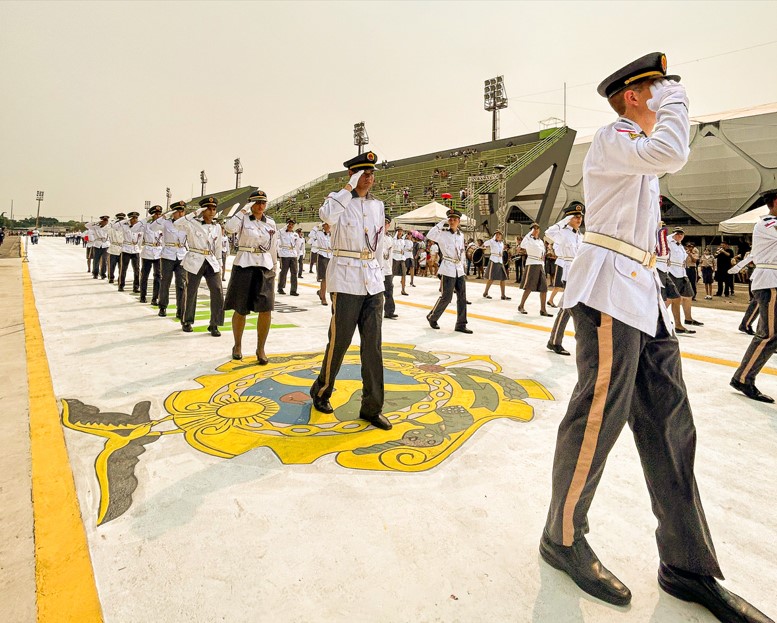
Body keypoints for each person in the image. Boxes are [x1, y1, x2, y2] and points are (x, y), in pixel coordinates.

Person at [541, 52, 771, 623]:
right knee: (598, 415)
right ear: (636, 95)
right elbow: (671, 150)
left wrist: (669, 101)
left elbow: (664, 160)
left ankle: (687, 566)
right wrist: (679, 98)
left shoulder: (636, 151)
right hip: (611, 291)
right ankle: (562, 535)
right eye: (658, 86)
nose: (669, 92)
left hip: (645, 294)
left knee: (672, 425)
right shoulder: (612, 136)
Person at [309, 151, 391, 431]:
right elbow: (326, 215)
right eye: (362, 173)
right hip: (345, 280)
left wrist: (380, 274)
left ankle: (372, 407)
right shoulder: (339, 203)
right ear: (352, 175)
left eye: (370, 174)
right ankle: (322, 390)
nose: (368, 179)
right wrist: (348, 187)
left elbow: (379, 244)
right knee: (339, 342)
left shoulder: (378, 206)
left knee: (373, 348)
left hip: (372, 280)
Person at [731, 189, 777, 403]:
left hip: (772, 282)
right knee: (767, 335)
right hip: (771, 284)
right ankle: (743, 378)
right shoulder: (768, 224)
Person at [224, 190, 277, 363]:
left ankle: (261, 348)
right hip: (245, 264)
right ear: (250, 203)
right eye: (256, 202)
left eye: (263, 202)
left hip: (265, 265)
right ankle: (237, 345)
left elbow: (273, 246)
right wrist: (243, 210)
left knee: (266, 309)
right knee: (241, 308)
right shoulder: (242, 220)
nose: (260, 205)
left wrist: (274, 266)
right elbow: (229, 228)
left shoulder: (271, 223)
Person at [176, 196, 224, 336]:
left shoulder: (217, 227)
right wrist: (195, 213)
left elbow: (218, 247)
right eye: (208, 208)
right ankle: (187, 320)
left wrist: (220, 264)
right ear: (203, 210)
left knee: (217, 290)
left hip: (211, 260)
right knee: (191, 291)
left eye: (213, 209)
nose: (211, 211)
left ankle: (215, 324)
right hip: (195, 259)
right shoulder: (192, 223)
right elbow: (176, 224)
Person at [545, 202, 584, 355]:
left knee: (568, 308)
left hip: (578, 273)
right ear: (568, 218)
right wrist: (564, 221)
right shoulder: (562, 233)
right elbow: (548, 233)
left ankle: (554, 341)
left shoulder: (580, 236)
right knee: (568, 308)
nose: (579, 219)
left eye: (580, 217)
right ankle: (554, 341)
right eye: (575, 217)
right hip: (567, 272)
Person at [426, 209, 472, 334]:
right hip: (448, 268)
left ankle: (461, 324)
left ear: (458, 221)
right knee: (447, 297)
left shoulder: (461, 235)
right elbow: (429, 235)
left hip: (459, 268)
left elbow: (461, 251)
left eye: (454, 219)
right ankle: (433, 317)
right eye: (450, 219)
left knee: (462, 297)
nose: (452, 221)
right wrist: (442, 223)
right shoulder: (442, 233)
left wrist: (463, 268)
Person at [667, 227, 704, 332]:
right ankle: (659, 318)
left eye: (681, 234)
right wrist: (672, 236)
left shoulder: (681, 246)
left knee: (688, 295)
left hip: (682, 273)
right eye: (677, 234)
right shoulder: (668, 242)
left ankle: (688, 318)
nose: (679, 235)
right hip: (672, 272)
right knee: (670, 298)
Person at [157, 201, 188, 319]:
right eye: (178, 211)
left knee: (181, 284)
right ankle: (163, 306)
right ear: (173, 212)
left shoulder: (186, 224)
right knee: (165, 282)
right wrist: (165, 215)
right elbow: (153, 226)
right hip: (168, 255)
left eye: (182, 211)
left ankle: (180, 310)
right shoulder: (165, 223)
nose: (181, 213)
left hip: (181, 255)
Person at [517, 224, 552, 316]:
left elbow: (542, 253)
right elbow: (522, 245)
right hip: (532, 264)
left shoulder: (540, 241)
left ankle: (543, 309)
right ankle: (521, 305)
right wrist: (530, 233)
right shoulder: (528, 239)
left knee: (544, 288)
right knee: (529, 287)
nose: (536, 230)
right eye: (533, 228)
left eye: (537, 228)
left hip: (540, 264)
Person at [138, 205, 164, 304]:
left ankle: (155, 298)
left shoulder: (162, 226)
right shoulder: (146, 225)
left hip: (158, 252)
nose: (158, 216)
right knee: (145, 275)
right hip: (147, 252)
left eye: (159, 214)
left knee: (158, 276)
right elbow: (139, 237)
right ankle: (143, 296)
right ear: (152, 215)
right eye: (156, 214)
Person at [117, 211, 142, 293]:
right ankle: (121, 285)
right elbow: (115, 226)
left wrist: (138, 247)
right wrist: (125, 220)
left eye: (136, 218)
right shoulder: (125, 227)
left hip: (135, 249)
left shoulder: (140, 227)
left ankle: (136, 287)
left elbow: (140, 239)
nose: (135, 219)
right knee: (123, 268)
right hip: (126, 249)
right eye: (133, 218)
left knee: (137, 269)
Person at [482, 231, 510, 300]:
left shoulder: (502, 243)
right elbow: (485, 244)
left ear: (501, 236)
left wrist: (501, 254)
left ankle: (503, 295)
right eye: (496, 234)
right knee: (491, 278)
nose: (497, 235)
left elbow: (501, 251)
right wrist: (492, 239)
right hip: (493, 260)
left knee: (503, 278)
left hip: (500, 261)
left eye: (499, 234)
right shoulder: (492, 242)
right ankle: (485, 293)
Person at [381, 217, 398, 319]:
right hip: (377, 268)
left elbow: (390, 255)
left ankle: (389, 311)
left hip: (387, 268)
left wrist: (390, 269)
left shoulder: (390, 238)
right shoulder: (375, 236)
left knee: (389, 291)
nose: (384, 224)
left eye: (386, 223)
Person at [276, 219, 299, 296]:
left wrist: (297, 255)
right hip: (284, 254)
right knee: (284, 272)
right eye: (289, 224)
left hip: (293, 254)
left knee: (294, 273)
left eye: (292, 225)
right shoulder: (282, 232)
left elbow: (297, 246)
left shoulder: (295, 234)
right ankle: (280, 287)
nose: (290, 226)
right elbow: (276, 235)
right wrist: (284, 228)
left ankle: (293, 290)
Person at [85, 215, 110, 280]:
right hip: (97, 245)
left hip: (106, 245)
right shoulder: (96, 227)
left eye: (106, 220)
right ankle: (95, 273)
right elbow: (87, 225)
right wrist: (98, 222)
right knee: (96, 260)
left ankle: (103, 274)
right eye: (103, 220)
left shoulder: (109, 227)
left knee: (104, 260)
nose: (105, 222)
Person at [316, 223, 332, 305]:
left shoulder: (333, 234)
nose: (328, 226)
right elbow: (312, 234)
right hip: (323, 255)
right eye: (326, 225)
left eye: (329, 225)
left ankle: (321, 292)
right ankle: (323, 298)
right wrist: (319, 226)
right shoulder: (319, 233)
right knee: (324, 278)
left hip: (331, 256)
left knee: (331, 278)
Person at [107, 213, 125, 284]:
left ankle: (120, 278)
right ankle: (111, 277)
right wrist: (115, 221)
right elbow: (108, 227)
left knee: (121, 266)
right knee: (112, 265)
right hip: (114, 247)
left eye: (122, 219)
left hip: (122, 248)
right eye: (119, 219)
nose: (120, 221)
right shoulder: (112, 227)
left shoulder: (125, 227)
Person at [391, 226, 408, 295]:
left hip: (402, 258)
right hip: (395, 257)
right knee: (392, 274)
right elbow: (393, 245)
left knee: (404, 274)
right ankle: (388, 287)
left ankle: (403, 290)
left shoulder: (403, 240)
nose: (400, 232)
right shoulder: (393, 239)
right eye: (399, 231)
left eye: (401, 231)